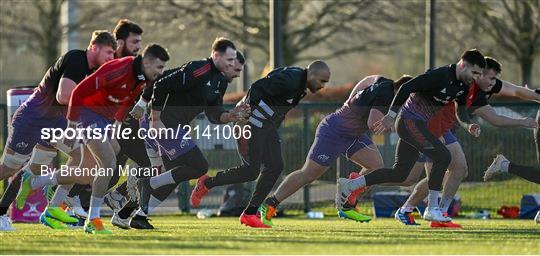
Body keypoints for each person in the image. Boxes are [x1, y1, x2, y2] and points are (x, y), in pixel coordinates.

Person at [17, 44, 170, 234]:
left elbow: (125, 102)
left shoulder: (142, 77)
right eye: (158, 67)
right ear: (146, 62)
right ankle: (93, 220)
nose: (160, 72)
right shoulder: (119, 69)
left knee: (89, 170)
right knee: (108, 163)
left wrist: (116, 125)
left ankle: (37, 186)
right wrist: (72, 127)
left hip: (104, 119)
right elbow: (78, 93)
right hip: (86, 115)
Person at [335, 49, 486, 223]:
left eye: (479, 74)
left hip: (419, 126)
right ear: (463, 64)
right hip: (409, 122)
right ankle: (432, 209)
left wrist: (469, 125)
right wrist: (390, 116)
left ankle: (352, 185)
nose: (475, 77)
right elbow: (406, 87)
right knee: (443, 155)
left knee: (401, 174)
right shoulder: (440, 75)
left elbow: (460, 110)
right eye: (474, 72)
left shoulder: (464, 86)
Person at [395, 57, 538, 227]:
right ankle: (407, 209)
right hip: (430, 128)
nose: (494, 83)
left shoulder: (484, 86)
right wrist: (523, 122)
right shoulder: (466, 87)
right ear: (478, 76)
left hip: (445, 130)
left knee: (458, 170)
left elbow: (517, 91)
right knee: (415, 177)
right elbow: (495, 119)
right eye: (490, 78)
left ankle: (438, 213)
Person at [190, 60, 330, 228]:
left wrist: (272, 127)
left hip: (265, 126)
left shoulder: (299, 84)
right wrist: (246, 114)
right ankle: (206, 183)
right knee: (250, 171)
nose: (323, 86)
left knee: (275, 166)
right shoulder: (292, 79)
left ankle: (250, 213)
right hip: (250, 123)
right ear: (312, 75)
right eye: (322, 81)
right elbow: (258, 87)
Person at [0, 31, 117, 231]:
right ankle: (3, 213)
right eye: (108, 52)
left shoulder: (93, 72)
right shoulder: (77, 59)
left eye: (113, 54)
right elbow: (64, 96)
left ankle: (54, 209)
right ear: (94, 47)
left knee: (85, 162)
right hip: (32, 120)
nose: (111, 58)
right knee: (9, 168)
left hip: (56, 124)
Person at [258, 75, 412, 226]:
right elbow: (373, 124)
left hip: (353, 134)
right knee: (309, 174)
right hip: (334, 132)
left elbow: (368, 79)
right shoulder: (387, 95)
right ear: (402, 90)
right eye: (407, 98)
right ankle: (270, 203)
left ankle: (347, 203)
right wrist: (393, 127)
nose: (406, 103)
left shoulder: (383, 81)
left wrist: (349, 102)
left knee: (376, 166)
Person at [133, 38, 249, 228]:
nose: (234, 69)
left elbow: (213, 114)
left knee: (173, 177)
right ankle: (146, 184)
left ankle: (139, 215)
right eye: (231, 62)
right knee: (199, 166)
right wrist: (155, 120)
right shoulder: (200, 69)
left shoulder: (220, 81)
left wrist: (229, 116)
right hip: (163, 121)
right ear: (216, 55)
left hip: (174, 124)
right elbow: (160, 85)